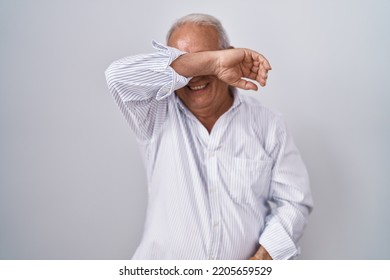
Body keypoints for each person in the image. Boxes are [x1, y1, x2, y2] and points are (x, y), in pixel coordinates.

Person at [105, 13, 313, 260]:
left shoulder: (268, 124)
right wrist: (210, 63)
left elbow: (294, 201)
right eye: (188, 64)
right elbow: (117, 76)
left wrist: (262, 260)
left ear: (230, 55)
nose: (195, 76)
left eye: (206, 59)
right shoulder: (155, 113)